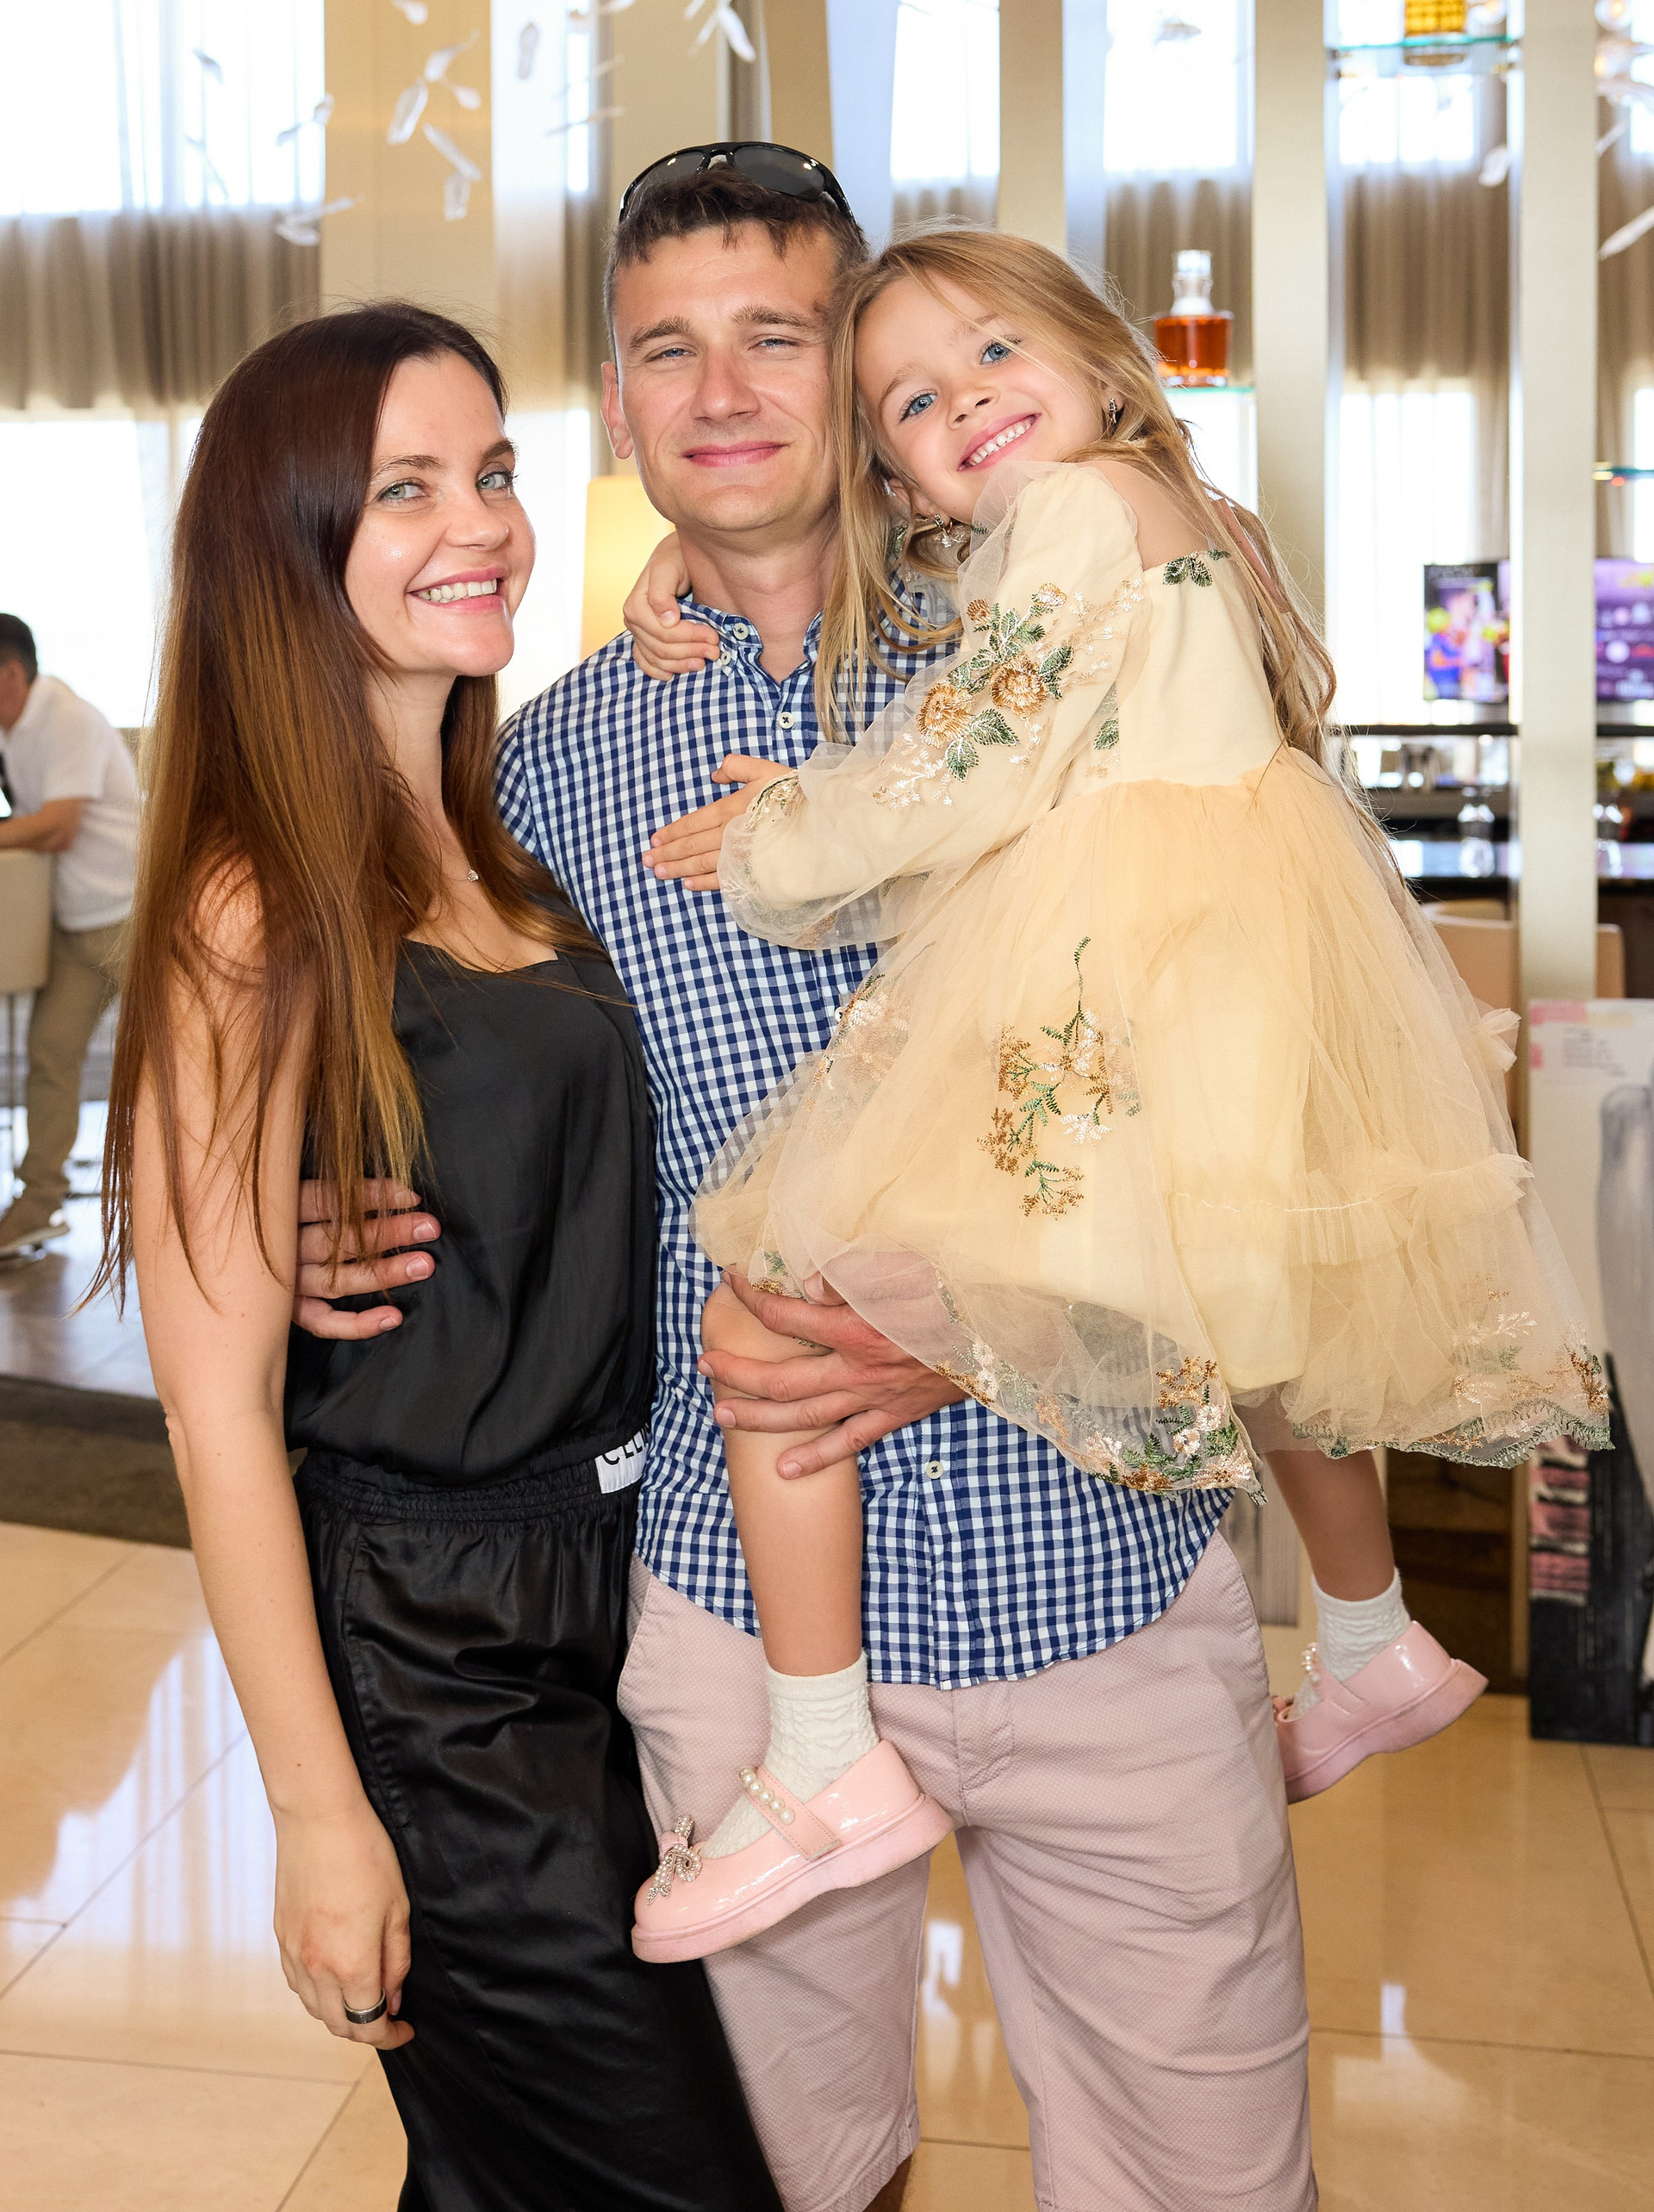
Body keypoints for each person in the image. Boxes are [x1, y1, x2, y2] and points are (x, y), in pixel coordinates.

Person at [297, 154, 1318, 2212]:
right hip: (736, 1624)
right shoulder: (539, 765)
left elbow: (1285, 1055)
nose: (723, 391)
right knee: (780, 2175)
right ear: (615, 399)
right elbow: (474, 1089)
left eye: (778, 335)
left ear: (860, 372)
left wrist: (979, 1325)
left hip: (1100, 1557)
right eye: (667, 348)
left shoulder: (1072, 639)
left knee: (1202, 2173)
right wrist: (328, 1205)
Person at [624, 232, 1606, 1838]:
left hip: (1133, 982)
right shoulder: (1188, 514)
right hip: (1242, 989)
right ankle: (1367, 1631)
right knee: (1267, 1317)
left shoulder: (1077, 513)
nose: (965, 401)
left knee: (777, 1301)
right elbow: (1007, 663)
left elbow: (979, 753)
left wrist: (782, 834)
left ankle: (817, 1754)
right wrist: (687, 549)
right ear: (900, 476)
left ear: (1096, 355)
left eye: (993, 352)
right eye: (914, 402)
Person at [100, 304, 780, 2212]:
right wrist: (323, 1818)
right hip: (434, 1649)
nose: (480, 521)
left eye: (491, 471)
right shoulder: (251, 903)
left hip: (609, 1591)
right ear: (288, 540)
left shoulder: (498, 846)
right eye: (404, 488)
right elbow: (216, 1415)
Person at [0, 614, 137, 1257]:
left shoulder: (66, 716)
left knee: (170, 1063)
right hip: (75, 927)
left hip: (134, 920)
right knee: (51, 1056)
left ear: (10, 673)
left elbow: (58, 827)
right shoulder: (12, 734)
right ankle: (37, 1204)